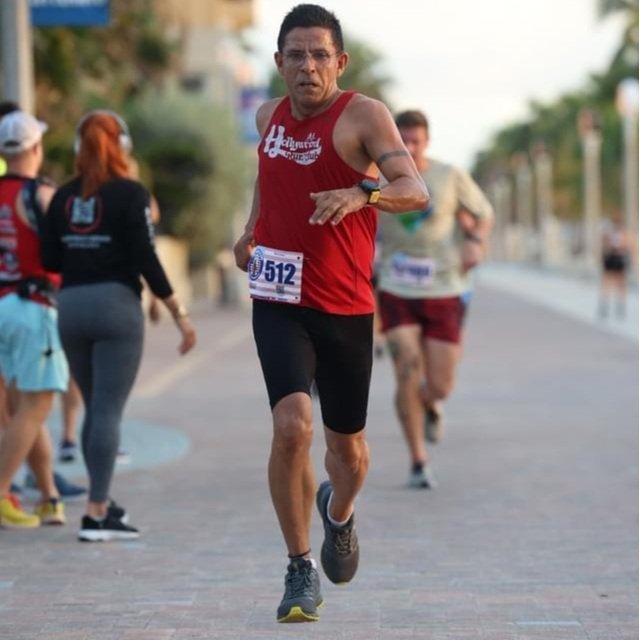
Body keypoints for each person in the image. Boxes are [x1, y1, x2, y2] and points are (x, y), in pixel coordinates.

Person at [233, 4, 428, 623]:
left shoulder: (363, 115)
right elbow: (269, 176)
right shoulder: (268, 116)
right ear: (279, 62)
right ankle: (298, 568)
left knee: (350, 454)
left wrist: (361, 191)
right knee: (292, 427)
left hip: (345, 305)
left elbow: (413, 189)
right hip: (278, 300)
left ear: (339, 62)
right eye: (296, 54)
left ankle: (338, 514)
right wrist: (250, 231)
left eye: (320, 54)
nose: (308, 65)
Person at [42, 110, 196, 542]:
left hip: (69, 306)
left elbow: (50, 259)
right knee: (108, 411)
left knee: (96, 409)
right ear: (123, 148)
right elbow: (146, 257)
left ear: (77, 149)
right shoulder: (131, 194)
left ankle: (102, 502)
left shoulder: (63, 197)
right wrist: (178, 313)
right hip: (115, 306)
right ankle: (95, 513)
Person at [377, 109, 493, 489]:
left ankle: (431, 403)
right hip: (396, 288)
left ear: (427, 141)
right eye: (403, 141)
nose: (409, 148)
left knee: (440, 383)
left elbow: (482, 213)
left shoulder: (448, 175)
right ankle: (418, 460)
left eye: (416, 141)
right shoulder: (378, 177)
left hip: (445, 288)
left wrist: (475, 243)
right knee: (407, 369)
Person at [0, 111, 69, 528]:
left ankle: (49, 497)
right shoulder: (41, 194)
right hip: (34, 305)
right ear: (36, 149)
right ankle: (3, 488)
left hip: (3, 301)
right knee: (38, 403)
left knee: (27, 404)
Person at [598, 213, 633, 320]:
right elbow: (629, 246)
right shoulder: (621, 234)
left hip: (613, 258)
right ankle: (613, 306)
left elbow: (604, 246)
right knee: (616, 284)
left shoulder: (609, 233)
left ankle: (610, 306)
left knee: (611, 283)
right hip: (616, 258)